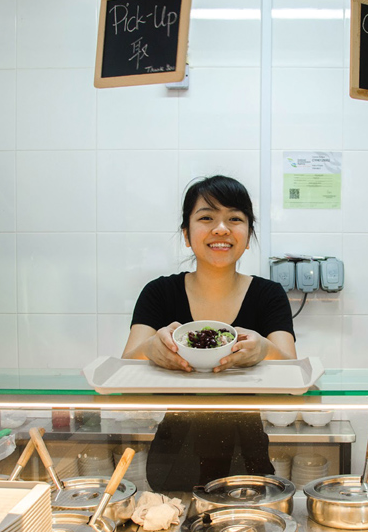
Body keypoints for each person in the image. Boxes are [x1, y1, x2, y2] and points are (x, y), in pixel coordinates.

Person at [122, 175, 297, 491]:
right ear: (187, 234)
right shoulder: (159, 293)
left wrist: (264, 350)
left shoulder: (269, 295)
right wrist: (151, 348)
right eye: (207, 218)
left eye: (235, 219)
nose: (221, 229)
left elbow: (292, 372)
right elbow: (124, 367)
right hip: (175, 452)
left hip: (248, 452)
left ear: (248, 233)